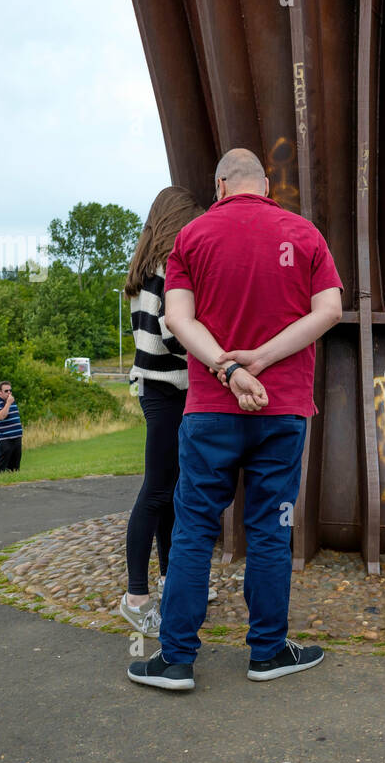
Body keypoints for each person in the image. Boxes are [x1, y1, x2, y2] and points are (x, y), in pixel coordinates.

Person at [127, 147, 344, 691]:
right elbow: (330, 311)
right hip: (284, 406)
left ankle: (176, 660)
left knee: (195, 529)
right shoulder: (305, 235)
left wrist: (227, 368)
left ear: (219, 185)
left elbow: (177, 318)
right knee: (271, 529)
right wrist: (263, 360)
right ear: (265, 186)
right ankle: (267, 653)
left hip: (210, 410)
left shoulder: (191, 238)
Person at [118, 186, 206, 638]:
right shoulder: (170, 269)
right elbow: (174, 334)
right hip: (170, 389)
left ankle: (172, 581)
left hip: (154, 389)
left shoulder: (142, 269)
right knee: (156, 492)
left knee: (167, 490)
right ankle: (136, 599)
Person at [0, 381, 22, 474]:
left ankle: (12, 481)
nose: (9, 393)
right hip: (2, 439)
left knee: (14, 466)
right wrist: (8, 404)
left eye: (10, 391)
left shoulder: (11, 401)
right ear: (0, 392)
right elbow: (0, 416)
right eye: (6, 391)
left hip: (16, 437)